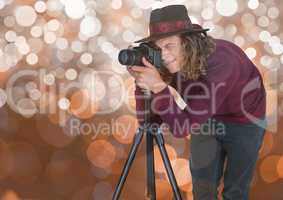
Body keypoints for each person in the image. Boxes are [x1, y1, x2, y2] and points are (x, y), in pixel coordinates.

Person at [126, 4, 266, 200]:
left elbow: (181, 127)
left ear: (187, 42)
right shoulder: (168, 61)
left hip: (244, 120)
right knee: (202, 190)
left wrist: (158, 87)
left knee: (235, 192)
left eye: (169, 46)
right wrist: (142, 82)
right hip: (203, 118)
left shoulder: (222, 61)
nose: (163, 55)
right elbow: (150, 122)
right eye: (157, 48)